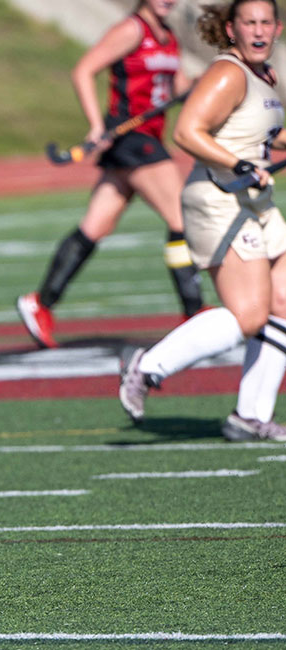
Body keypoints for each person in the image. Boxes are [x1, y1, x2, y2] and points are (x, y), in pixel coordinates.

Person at [120, 0, 286, 442]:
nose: (258, 30)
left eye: (265, 22)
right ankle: (147, 366)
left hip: (255, 200)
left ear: (277, 27)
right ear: (232, 30)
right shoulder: (228, 73)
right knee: (248, 316)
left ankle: (250, 416)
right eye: (249, 22)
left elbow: (267, 136)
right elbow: (187, 131)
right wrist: (242, 165)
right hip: (220, 198)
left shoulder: (264, 74)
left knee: (284, 301)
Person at [16, 0, 204, 348]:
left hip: (144, 138)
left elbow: (176, 86)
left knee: (96, 225)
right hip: (132, 139)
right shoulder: (131, 30)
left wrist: (200, 83)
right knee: (183, 217)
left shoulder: (168, 34)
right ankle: (194, 315)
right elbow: (84, 70)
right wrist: (96, 126)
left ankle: (41, 303)